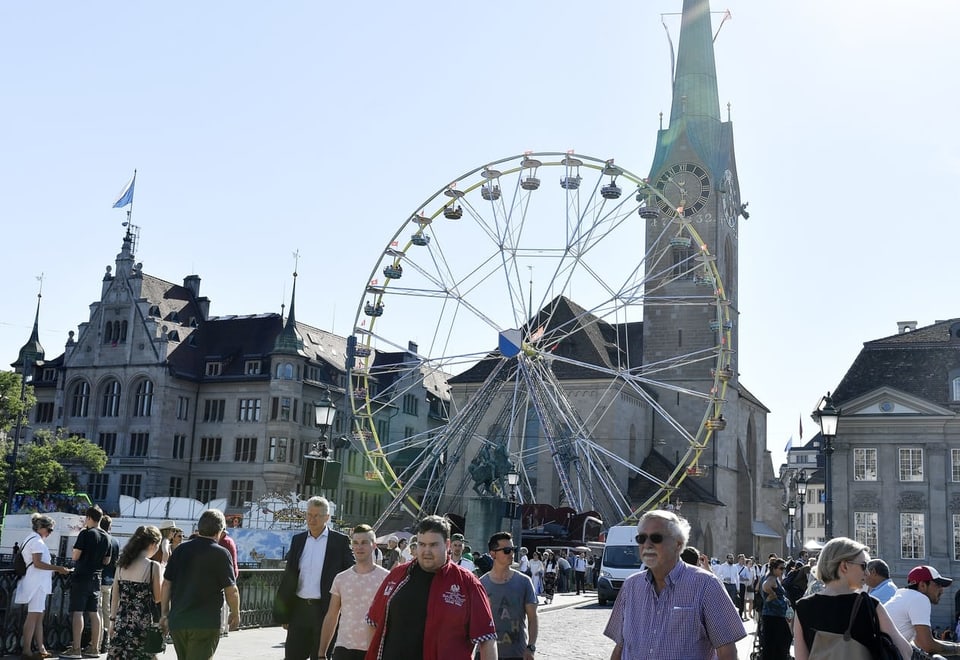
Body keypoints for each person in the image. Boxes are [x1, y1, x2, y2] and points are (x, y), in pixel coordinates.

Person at [603, 510, 746, 659]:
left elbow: (727, 652)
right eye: (641, 538)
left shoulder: (706, 585)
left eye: (656, 538)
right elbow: (620, 647)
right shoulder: (630, 586)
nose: (647, 544)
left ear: (678, 544)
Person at [365, 515, 497, 660]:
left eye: (433, 545)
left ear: (447, 545)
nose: (426, 551)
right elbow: (373, 622)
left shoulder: (468, 583)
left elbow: (487, 638)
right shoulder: (397, 575)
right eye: (422, 544)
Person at [793, 536, 913, 660]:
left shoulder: (803, 606)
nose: (867, 573)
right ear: (844, 566)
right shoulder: (869, 604)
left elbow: (801, 657)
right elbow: (905, 651)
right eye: (863, 565)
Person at [274, 496, 354, 660]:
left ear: (327, 517)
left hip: (325, 610)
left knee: (320, 657)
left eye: (317, 515)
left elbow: (350, 574)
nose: (312, 519)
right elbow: (290, 575)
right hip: (299, 609)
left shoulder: (339, 541)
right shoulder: (298, 540)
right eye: (309, 514)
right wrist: (284, 612)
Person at [159, 509, 240, 660]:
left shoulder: (180, 550)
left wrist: (164, 614)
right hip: (205, 622)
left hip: (179, 620)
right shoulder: (221, 553)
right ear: (220, 530)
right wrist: (235, 613)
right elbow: (231, 590)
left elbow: (166, 585)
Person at [317, 524, 388, 660]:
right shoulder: (341, 578)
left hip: (374, 649)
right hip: (343, 648)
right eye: (355, 543)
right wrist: (321, 653)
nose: (359, 547)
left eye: (364, 543)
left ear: (374, 546)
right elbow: (332, 616)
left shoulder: (386, 579)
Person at [15, 513, 72, 660]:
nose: (50, 533)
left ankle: (41, 648)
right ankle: (27, 650)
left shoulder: (31, 538)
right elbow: (38, 563)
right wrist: (58, 568)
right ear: (40, 527)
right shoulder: (37, 542)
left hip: (35, 581)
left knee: (38, 617)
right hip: (36, 583)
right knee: (33, 616)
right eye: (49, 529)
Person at [63, 505, 113, 659]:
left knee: (78, 611)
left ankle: (76, 648)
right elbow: (107, 560)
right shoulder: (107, 536)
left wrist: (75, 551)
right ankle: (94, 648)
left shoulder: (85, 534)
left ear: (89, 518)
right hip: (96, 577)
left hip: (81, 576)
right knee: (94, 612)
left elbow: (75, 557)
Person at [479, 531, 538, 660]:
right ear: (493, 553)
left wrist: (531, 647)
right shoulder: (481, 584)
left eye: (513, 549)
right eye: (507, 550)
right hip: (486, 654)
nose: (512, 554)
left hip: (517, 654)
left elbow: (533, 618)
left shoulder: (524, 582)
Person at [107, 525, 163, 660]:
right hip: (141, 622)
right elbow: (158, 597)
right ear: (152, 544)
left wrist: (112, 622)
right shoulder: (153, 566)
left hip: (121, 620)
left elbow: (115, 596)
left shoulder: (121, 565)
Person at [884, 565, 960, 656]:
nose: (942, 590)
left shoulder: (903, 596)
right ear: (922, 585)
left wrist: (956, 646)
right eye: (938, 585)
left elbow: (919, 641)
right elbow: (927, 645)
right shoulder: (919, 598)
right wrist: (957, 650)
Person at [759, 557, 791, 660]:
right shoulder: (771, 578)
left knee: (773, 644)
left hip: (774, 615)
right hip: (773, 615)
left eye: (784, 568)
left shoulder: (772, 577)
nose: (783, 571)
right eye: (781, 568)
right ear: (774, 568)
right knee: (779, 642)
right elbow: (765, 586)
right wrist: (772, 594)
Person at [99, 515, 121, 654]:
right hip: (110, 578)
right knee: (106, 610)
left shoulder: (102, 538)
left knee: (98, 611)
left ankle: (98, 640)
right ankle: (106, 641)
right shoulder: (115, 541)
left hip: (99, 577)